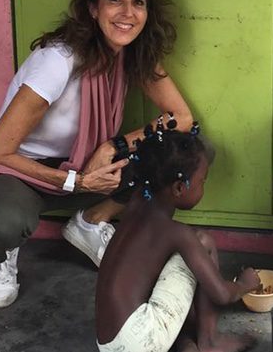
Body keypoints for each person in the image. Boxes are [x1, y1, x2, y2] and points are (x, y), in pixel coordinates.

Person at [0, 0, 195, 309]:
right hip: (17, 170)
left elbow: (181, 118)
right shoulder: (59, 59)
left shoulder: (132, 55)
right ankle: (0, 257)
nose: (128, 12)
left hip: (81, 164)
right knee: (5, 222)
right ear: (93, 9)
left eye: (138, 2)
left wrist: (114, 145)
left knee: (182, 151)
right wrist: (77, 183)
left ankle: (90, 221)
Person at [96, 125, 259, 352]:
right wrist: (245, 284)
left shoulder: (134, 204)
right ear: (180, 188)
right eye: (203, 181)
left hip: (108, 342)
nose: (203, 186)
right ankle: (210, 342)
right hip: (140, 339)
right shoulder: (175, 232)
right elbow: (221, 294)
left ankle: (184, 344)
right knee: (203, 242)